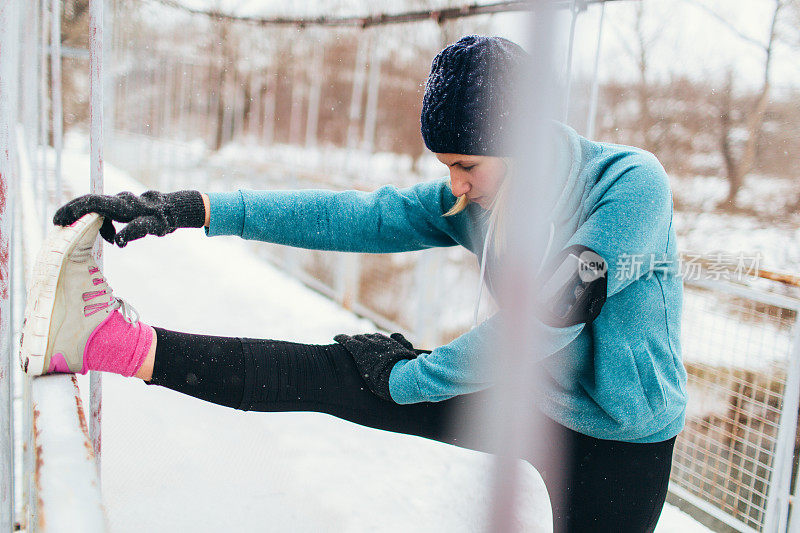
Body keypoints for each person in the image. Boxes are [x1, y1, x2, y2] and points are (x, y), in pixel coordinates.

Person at [20, 35, 687, 532]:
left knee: (387, 373)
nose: (455, 186)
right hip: (528, 393)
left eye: (466, 165)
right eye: (447, 168)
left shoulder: (630, 187)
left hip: (619, 439)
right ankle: (114, 342)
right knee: (345, 373)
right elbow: (359, 217)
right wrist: (196, 208)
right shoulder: (479, 198)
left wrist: (413, 377)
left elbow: (555, 312)